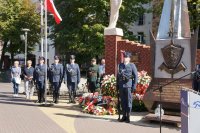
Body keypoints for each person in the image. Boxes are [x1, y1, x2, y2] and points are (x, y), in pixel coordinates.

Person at [117, 52, 138, 123]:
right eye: (124, 57)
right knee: (123, 101)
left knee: (128, 101)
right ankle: (124, 115)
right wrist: (117, 85)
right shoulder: (120, 65)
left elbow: (135, 76)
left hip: (128, 86)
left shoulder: (132, 65)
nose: (125, 58)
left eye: (126, 57)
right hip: (121, 86)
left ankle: (128, 116)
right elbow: (118, 76)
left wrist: (134, 86)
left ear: (129, 58)